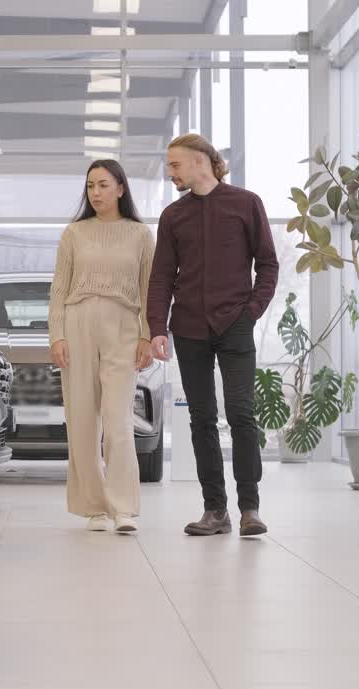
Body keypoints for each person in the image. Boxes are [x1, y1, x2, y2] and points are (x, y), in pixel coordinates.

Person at [147, 133, 279, 537]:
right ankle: (215, 510)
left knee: (241, 414)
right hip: (189, 329)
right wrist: (157, 328)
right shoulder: (173, 216)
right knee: (201, 419)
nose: (170, 173)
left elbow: (268, 265)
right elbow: (161, 277)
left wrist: (251, 313)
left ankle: (250, 508)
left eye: (175, 165)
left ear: (201, 161)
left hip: (235, 326)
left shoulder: (246, 203)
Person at [48, 159, 156, 534]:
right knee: (81, 420)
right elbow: (59, 289)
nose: (96, 193)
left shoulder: (141, 235)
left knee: (118, 420)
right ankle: (93, 507)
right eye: (91, 186)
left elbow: (148, 291)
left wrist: (146, 335)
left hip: (123, 326)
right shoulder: (74, 234)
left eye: (104, 185)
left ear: (122, 188)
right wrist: (57, 335)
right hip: (78, 324)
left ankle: (123, 507)